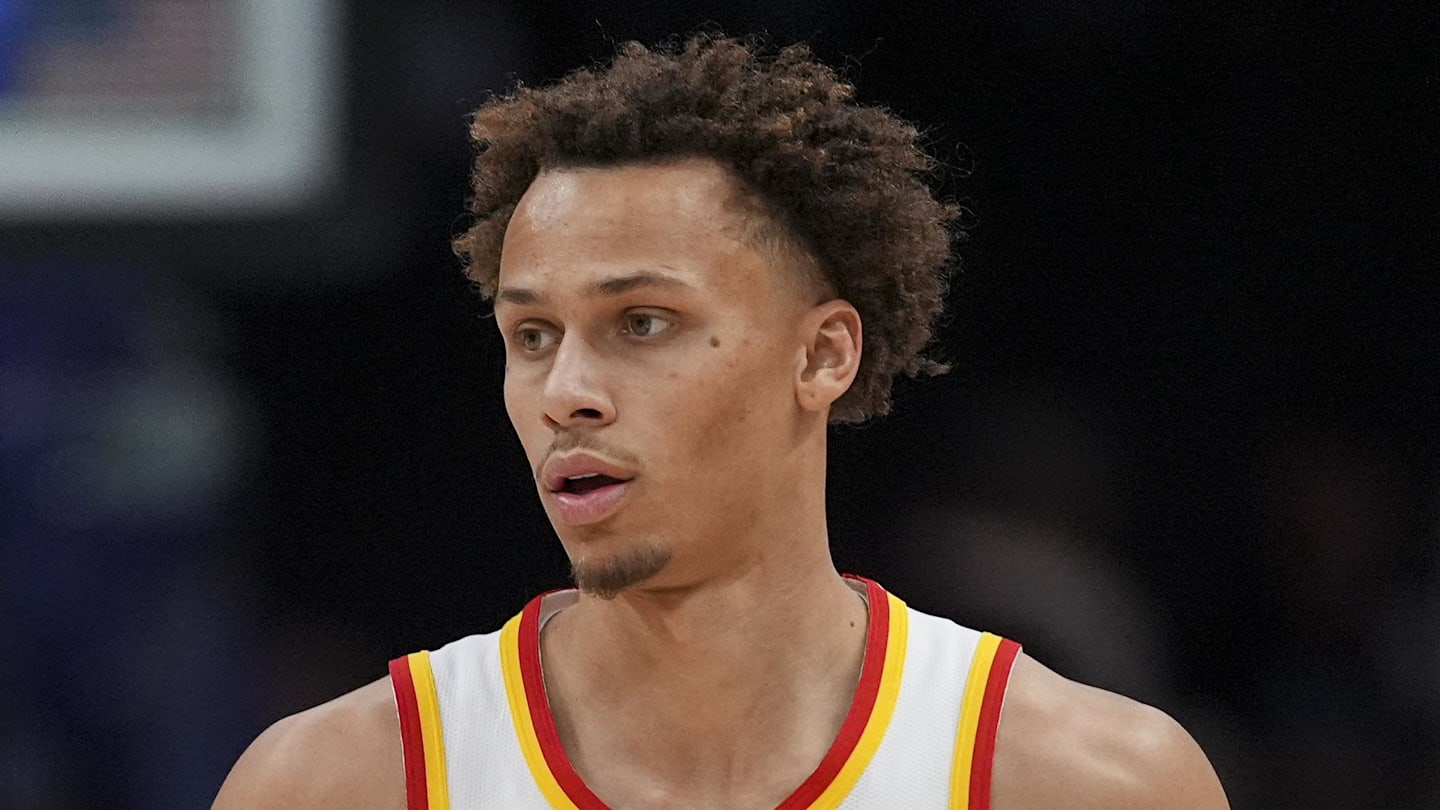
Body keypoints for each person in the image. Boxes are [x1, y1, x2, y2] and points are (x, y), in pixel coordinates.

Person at [213, 35, 1229, 809]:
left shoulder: (1082, 781)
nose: (568, 389)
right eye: (531, 334)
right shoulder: (338, 783)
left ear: (823, 354)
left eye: (641, 322)